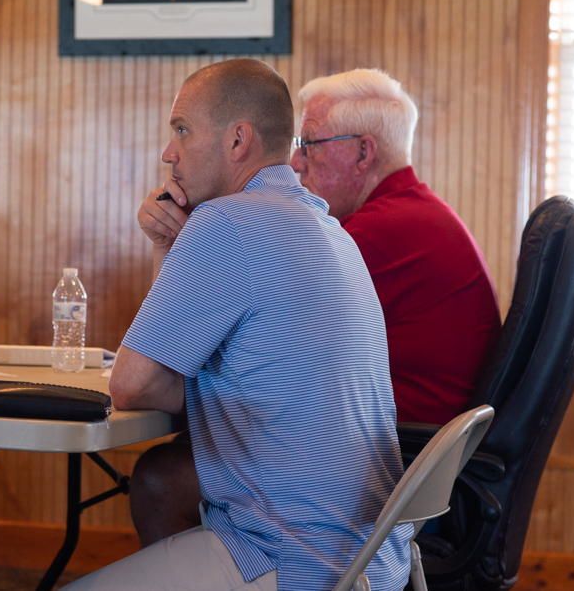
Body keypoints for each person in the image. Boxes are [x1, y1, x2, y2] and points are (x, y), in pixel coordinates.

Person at [62, 59, 412, 590]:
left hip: (298, 559)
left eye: (182, 130)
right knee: (159, 479)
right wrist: (169, 248)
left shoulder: (226, 221)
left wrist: (183, 240)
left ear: (237, 141)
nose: (168, 152)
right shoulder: (329, 227)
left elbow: (133, 384)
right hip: (373, 555)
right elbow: (205, 371)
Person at [127, 69, 503, 547]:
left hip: (362, 477)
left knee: (160, 478)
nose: (297, 163)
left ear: (364, 152)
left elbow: (171, 370)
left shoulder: (368, 235)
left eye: (310, 145)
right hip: (399, 469)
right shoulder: (393, 220)